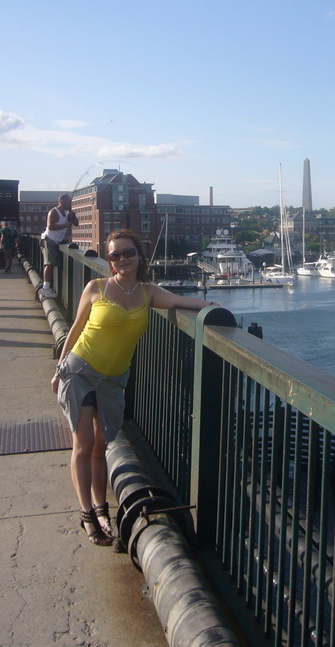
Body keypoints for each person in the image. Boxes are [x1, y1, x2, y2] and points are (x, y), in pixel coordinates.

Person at [52, 228, 217, 545]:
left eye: (128, 253)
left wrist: (210, 307)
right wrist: (60, 368)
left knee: (102, 447)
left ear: (139, 256)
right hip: (80, 371)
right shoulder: (96, 287)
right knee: (84, 445)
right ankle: (88, 516)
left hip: (114, 379)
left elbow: (180, 300)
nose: (122, 259)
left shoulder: (148, 292)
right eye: (115, 255)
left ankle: (102, 508)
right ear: (110, 261)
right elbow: (75, 330)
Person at [41, 193, 78, 297]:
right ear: (62, 201)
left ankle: (47, 287)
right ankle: (45, 288)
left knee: (52, 264)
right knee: (50, 264)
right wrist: (67, 224)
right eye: (68, 201)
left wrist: (72, 216)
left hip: (57, 241)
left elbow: (76, 224)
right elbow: (51, 226)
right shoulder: (54, 212)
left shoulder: (67, 214)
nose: (70, 203)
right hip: (49, 240)